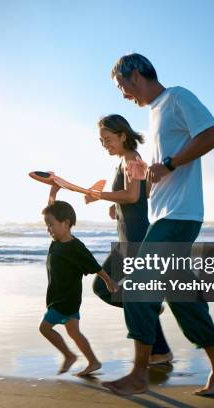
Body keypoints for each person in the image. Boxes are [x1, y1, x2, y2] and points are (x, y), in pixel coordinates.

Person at [101, 53, 214, 396]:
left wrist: (171, 163)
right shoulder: (154, 111)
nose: (123, 95)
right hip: (164, 214)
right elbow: (164, 166)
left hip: (180, 215)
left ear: (135, 75)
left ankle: (138, 373)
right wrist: (147, 173)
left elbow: (213, 134)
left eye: (122, 86)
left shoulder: (177, 97)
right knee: (182, 296)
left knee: (136, 289)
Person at [86, 114, 173, 365]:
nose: (105, 144)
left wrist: (99, 195)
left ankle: (159, 348)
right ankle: (155, 333)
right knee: (105, 287)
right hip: (126, 237)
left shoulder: (132, 159)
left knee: (108, 288)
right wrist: (116, 205)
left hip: (136, 238)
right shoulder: (126, 161)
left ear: (123, 135)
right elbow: (144, 192)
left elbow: (133, 195)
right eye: (101, 140)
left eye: (108, 139)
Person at [39, 199, 118, 376]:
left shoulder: (74, 246)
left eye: (51, 225)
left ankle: (68, 356)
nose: (48, 229)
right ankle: (93, 362)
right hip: (64, 296)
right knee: (74, 332)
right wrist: (53, 190)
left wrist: (108, 281)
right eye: (47, 225)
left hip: (65, 299)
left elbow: (93, 264)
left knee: (44, 328)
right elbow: (52, 208)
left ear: (66, 223)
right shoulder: (58, 241)